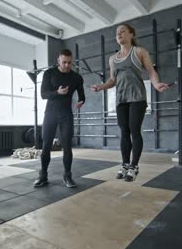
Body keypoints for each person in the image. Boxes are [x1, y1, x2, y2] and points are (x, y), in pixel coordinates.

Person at [91, 24, 171, 182]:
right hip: (121, 100)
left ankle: (134, 166)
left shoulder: (139, 52)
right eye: (117, 33)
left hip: (137, 97)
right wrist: (101, 87)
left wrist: (156, 84)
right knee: (124, 132)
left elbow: (150, 71)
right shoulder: (112, 59)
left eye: (122, 31)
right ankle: (125, 164)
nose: (119, 34)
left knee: (135, 131)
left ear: (131, 34)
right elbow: (113, 80)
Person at [34, 49, 85, 188]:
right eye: (64, 62)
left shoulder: (76, 77)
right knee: (46, 146)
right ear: (58, 61)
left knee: (67, 147)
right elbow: (43, 94)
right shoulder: (49, 73)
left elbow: (82, 95)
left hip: (66, 115)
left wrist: (81, 101)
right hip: (50, 114)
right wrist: (57, 92)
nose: (67, 65)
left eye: (69, 62)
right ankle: (43, 175)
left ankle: (67, 176)